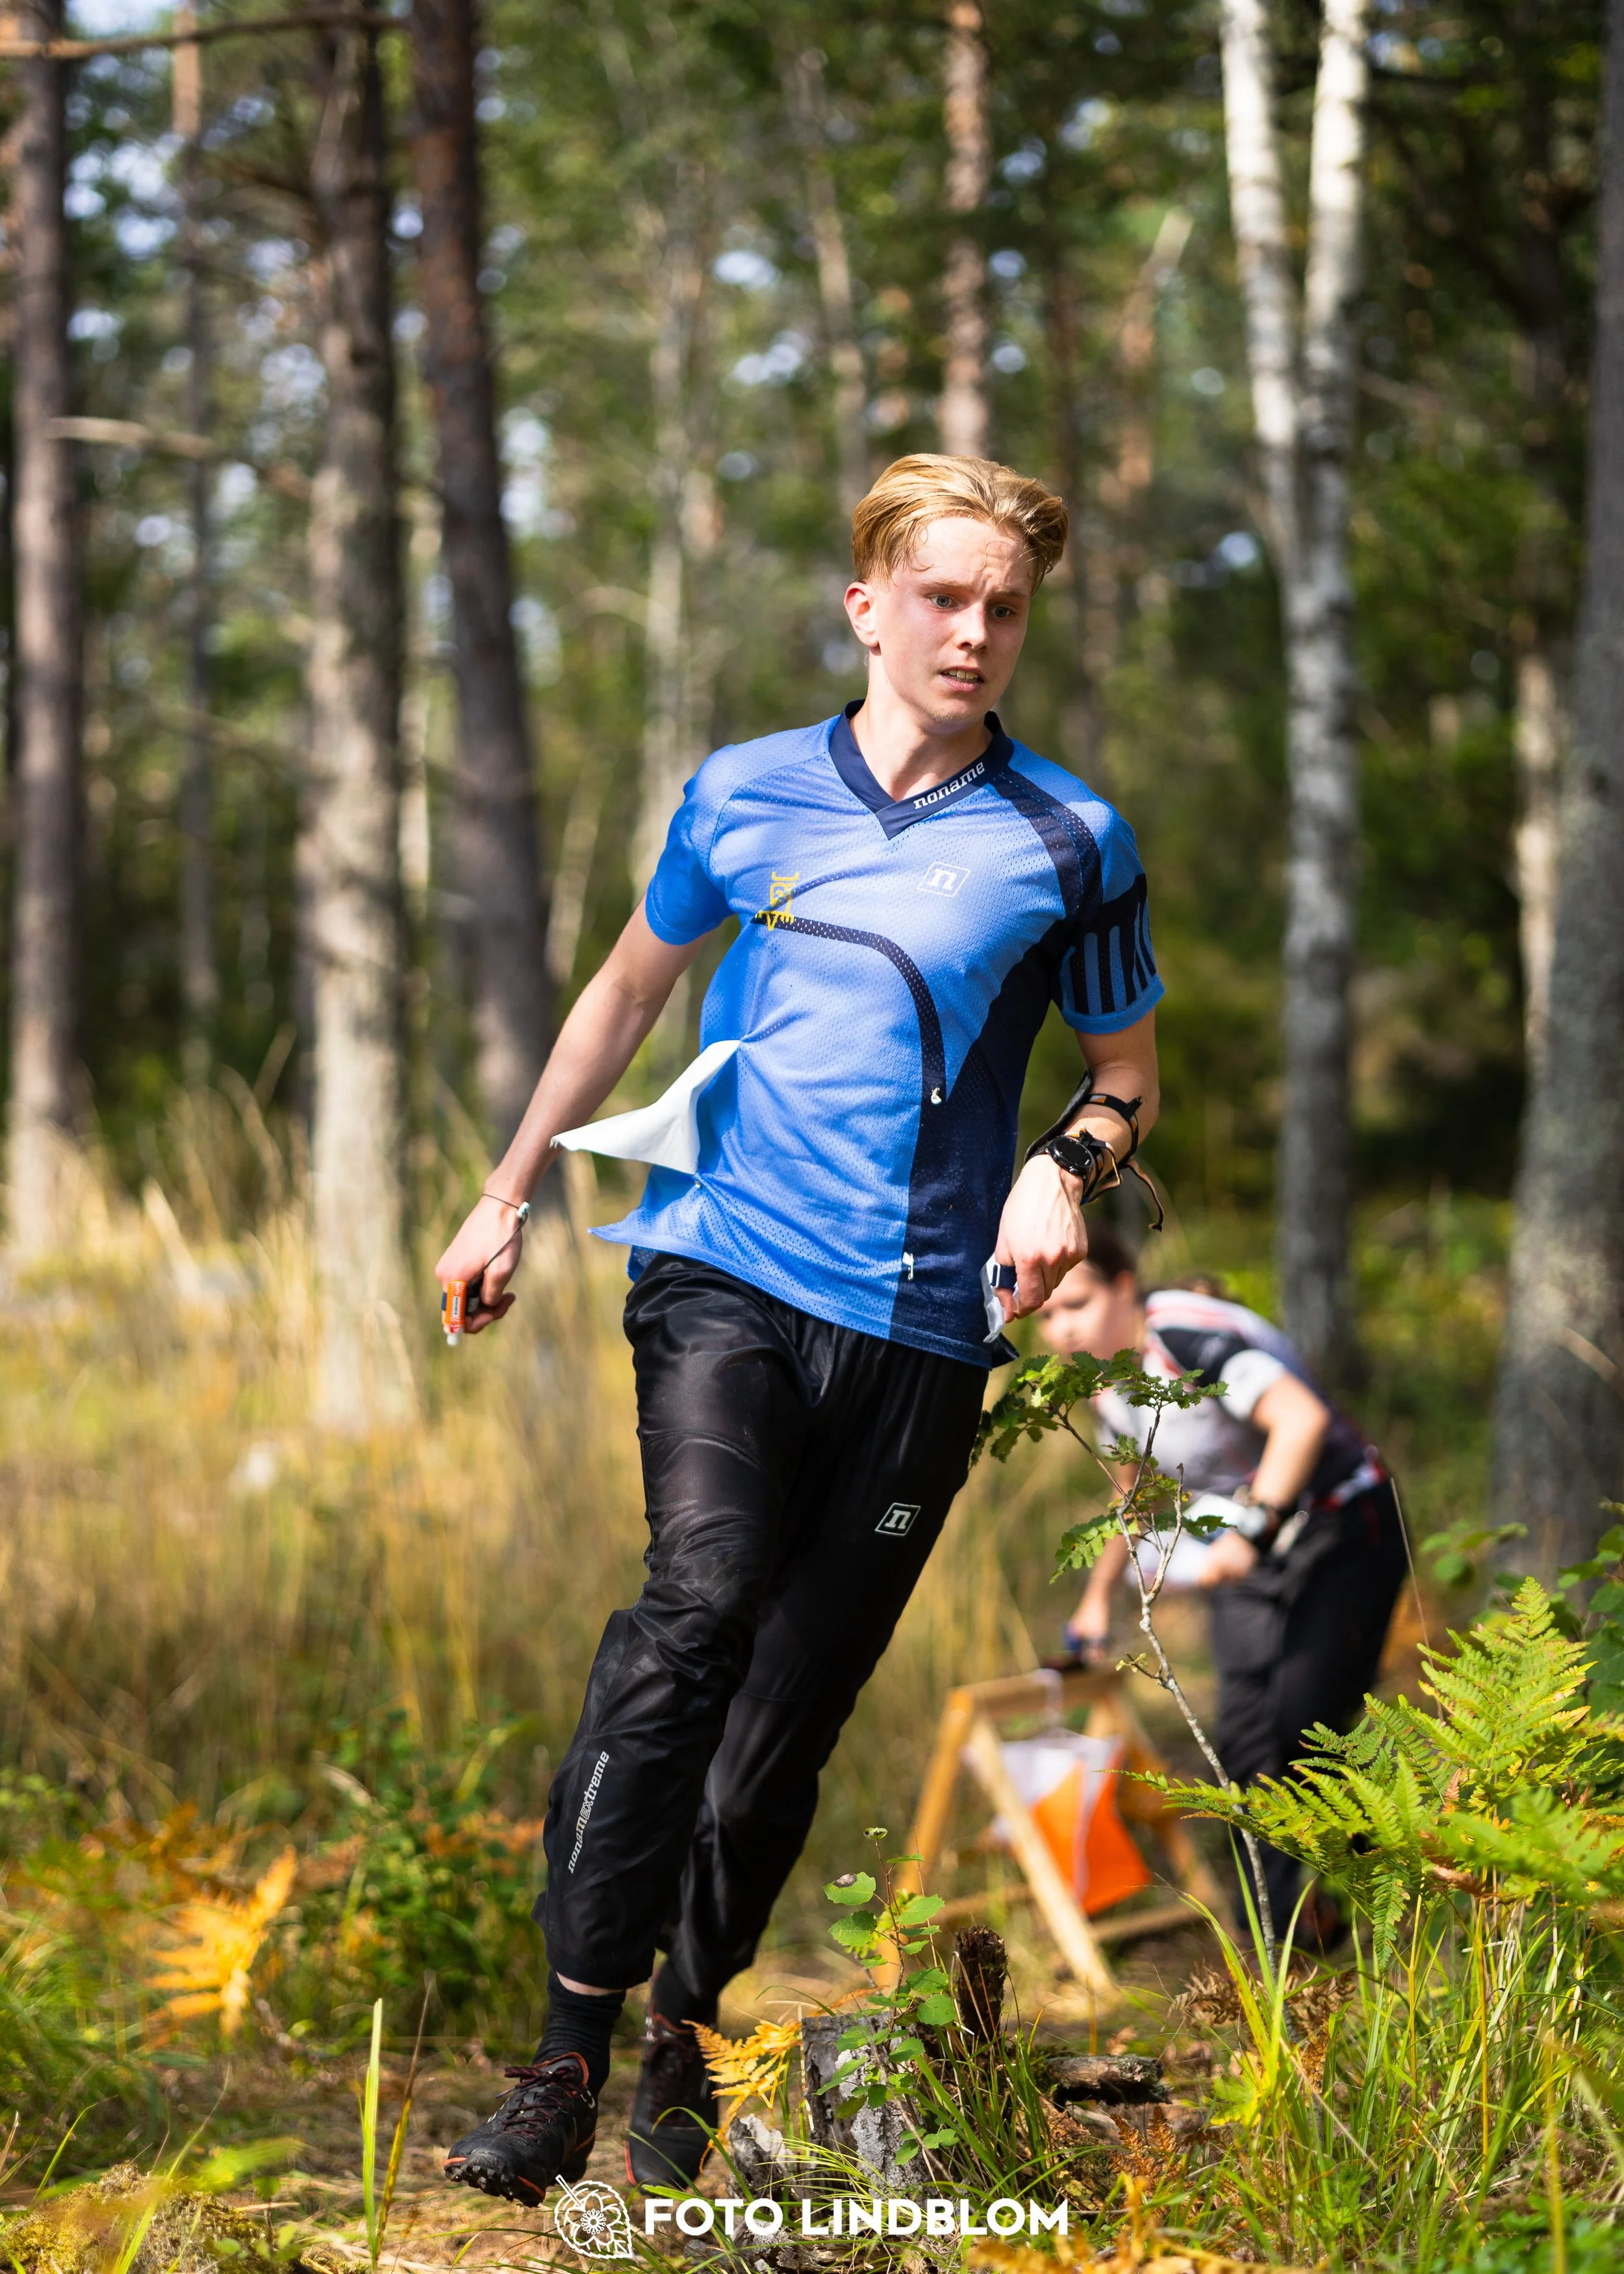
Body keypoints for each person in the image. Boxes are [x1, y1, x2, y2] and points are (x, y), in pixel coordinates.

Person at [431, 454, 1165, 2203]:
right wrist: (503, 1189)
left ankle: (688, 2020)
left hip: (925, 1327)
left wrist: (1070, 1165)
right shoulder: (742, 792)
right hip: (723, 1269)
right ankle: (564, 2049)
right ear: (866, 605)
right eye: (940, 597)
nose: (972, 631)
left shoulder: (1072, 837)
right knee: (694, 1605)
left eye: (1002, 606)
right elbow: (626, 988)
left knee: (787, 1711)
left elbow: (1123, 1074)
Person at [1037, 1227, 1406, 1941]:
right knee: (1240, 1739)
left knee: (1306, 1724)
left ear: (1123, 1287)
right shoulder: (1105, 1381)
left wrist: (1252, 1532)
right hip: (1244, 1540)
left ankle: (1390, 1880)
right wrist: (1093, 1599)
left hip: (1340, 1525)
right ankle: (1279, 1939)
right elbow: (1134, 1493)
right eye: (1046, 1314)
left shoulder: (1182, 1336)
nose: (1061, 1328)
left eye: (1076, 1304)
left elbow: (1301, 1420)